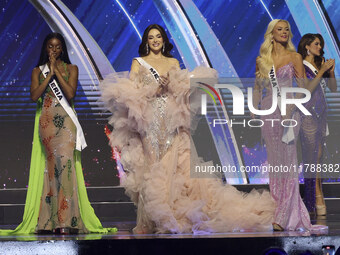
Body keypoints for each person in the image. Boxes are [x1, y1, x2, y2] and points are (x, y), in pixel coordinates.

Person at [101, 24, 275, 234]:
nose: (155, 40)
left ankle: (170, 216)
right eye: (151, 37)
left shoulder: (172, 62)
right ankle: (149, 221)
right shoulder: (138, 63)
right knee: (152, 165)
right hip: (149, 119)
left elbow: (181, 91)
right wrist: (153, 88)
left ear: (164, 39)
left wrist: (170, 85)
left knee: (171, 166)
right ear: (146, 41)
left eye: (158, 36)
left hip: (171, 119)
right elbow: (131, 93)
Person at [0, 32, 116, 235]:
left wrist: (57, 73)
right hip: (47, 124)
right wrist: (49, 75)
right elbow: (34, 95)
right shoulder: (38, 70)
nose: (54, 50)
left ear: (62, 49)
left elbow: (70, 94)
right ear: (46, 48)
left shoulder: (72, 68)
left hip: (66, 125)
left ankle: (67, 220)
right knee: (51, 169)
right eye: (50, 47)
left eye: (57, 47)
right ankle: (48, 221)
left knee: (66, 168)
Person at [253, 19, 331, 231]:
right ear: (272, 34)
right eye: (280, 29)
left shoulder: (295, 57)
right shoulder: (262, 60)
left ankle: (284, 215)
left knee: (288, 161)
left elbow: (303, 88)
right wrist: (253, 109)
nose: (284, 32)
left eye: (287, 29)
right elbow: (258, 88)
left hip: (289, 111)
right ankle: (279, 208)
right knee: (275, 163)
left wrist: (292, 106)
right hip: (268, 112)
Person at [297, 33, 336, 216]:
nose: (320, 47)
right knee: (311, 156)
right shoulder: (301, 65)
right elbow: (306, 91)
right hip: (307, 113)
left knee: (318, 156)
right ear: (307, 46)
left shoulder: (320, 64)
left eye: (320, 44)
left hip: (321, 114)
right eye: (316, 44)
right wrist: (321, 72)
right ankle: (315, 198)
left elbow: (333, 88)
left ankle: (315, 196)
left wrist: (331, 72)